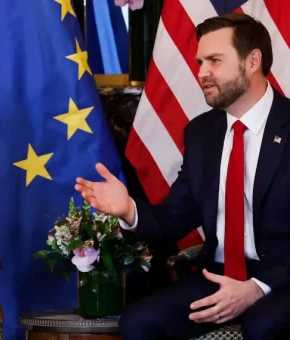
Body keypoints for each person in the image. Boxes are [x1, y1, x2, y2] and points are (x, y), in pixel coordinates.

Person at [75, 13, 290, 340]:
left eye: (214, 61)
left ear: (253, 61)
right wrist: (129, 210)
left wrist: (257, 287)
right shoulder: (202, 133)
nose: (202, 72)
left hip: (281, 279)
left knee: (263, 327)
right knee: (138, 323)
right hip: (217, 274)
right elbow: (177, 216)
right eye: (200, 61)